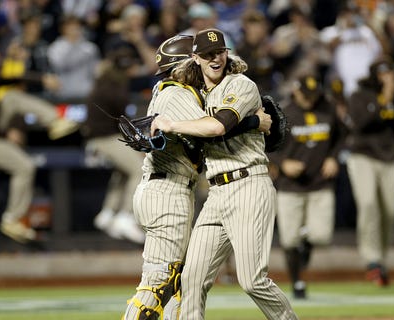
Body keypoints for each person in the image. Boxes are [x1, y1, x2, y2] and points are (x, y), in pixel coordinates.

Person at [122, 34, 271, 320]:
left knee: (177, 287)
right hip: (168, 192)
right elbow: (214, 128)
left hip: (164, 188)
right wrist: (254, 121)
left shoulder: (170, 91)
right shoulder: (176, 92)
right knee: (157, 286)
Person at [152, 28, 298, 320]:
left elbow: (217, 126)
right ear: (196, 58)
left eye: (219, 52)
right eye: (207, 54)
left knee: (252, 280)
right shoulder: (197, 93)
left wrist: (170, 124)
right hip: (217, 193)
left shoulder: (240, 84)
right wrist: (255, 121)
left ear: (226, 53)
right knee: (191, 279)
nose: (215, 58)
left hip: (249, 185)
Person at [0, 49, 78, 244]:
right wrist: (7, 134)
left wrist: (42, 79)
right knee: (25, 167)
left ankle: (55, 121)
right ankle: (12, 218)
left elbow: (15, 78)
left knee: (12, 97)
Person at [270, 74, 343, 299]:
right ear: (296, 91)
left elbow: (342, 137)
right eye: (306, 95)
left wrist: (333, 157)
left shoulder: (327, 109)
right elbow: (266, 146)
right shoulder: (284, 113)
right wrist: (283, 163)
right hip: (290, 185)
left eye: (314, 96)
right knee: (290, 240)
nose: (310, 100)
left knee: (322, 235)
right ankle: (297, 283)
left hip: (320, 183)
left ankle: (306, 241)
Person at [345, 58, 394, 287]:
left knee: (390, 210)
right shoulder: (359, 95)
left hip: (388, 157)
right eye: (381, 74)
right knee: (369, 204)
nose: (385, 78)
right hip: (362, 156)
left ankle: (381, 258)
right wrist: (385, 97)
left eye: (388, 74)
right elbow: (361, 122)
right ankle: (371, 259)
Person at [83, 52, 145, 245]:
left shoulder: (105, 80)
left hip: (101, 138)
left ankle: (108, 213)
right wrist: (138, 141)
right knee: (139, 169)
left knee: (125, 170)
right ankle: (125, 216)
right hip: (105, 139)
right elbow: (122, 121)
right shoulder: (115, 86)